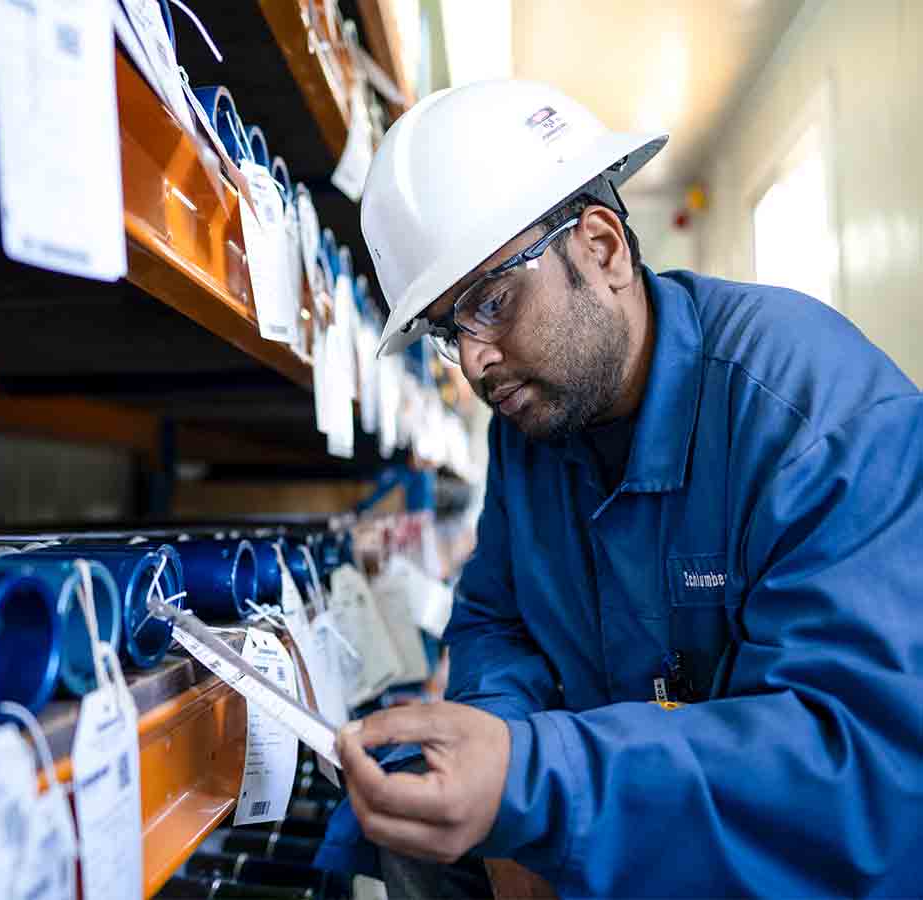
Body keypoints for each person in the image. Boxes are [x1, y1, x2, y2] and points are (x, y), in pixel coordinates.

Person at [314, 79, 923, 897]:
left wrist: (538, 788)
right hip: (629, 821)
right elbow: (499, 622)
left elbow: (855, 762)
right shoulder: (536, 430)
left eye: (490, 304)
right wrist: (497, 757)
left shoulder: (813, 414)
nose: (474, 361)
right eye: (448, 330)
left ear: (601, 248)